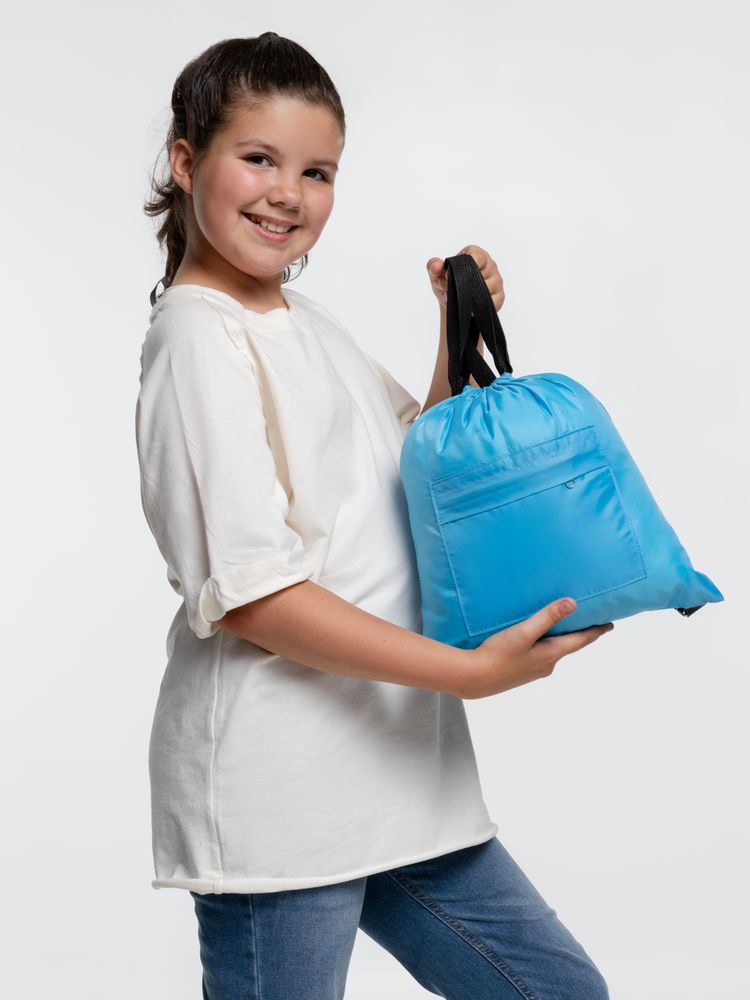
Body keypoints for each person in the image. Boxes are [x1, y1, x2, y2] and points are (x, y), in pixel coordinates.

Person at [135, 31, 615, 1000]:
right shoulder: (197, 341)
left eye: (316, 171)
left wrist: (452, 328)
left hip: (397, 777)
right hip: (285, 799)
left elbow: (410, 469)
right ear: (186, 162)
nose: (287, 193)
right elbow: (254, 596)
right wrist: (470, 673)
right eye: (258, 158)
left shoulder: (301, 322)